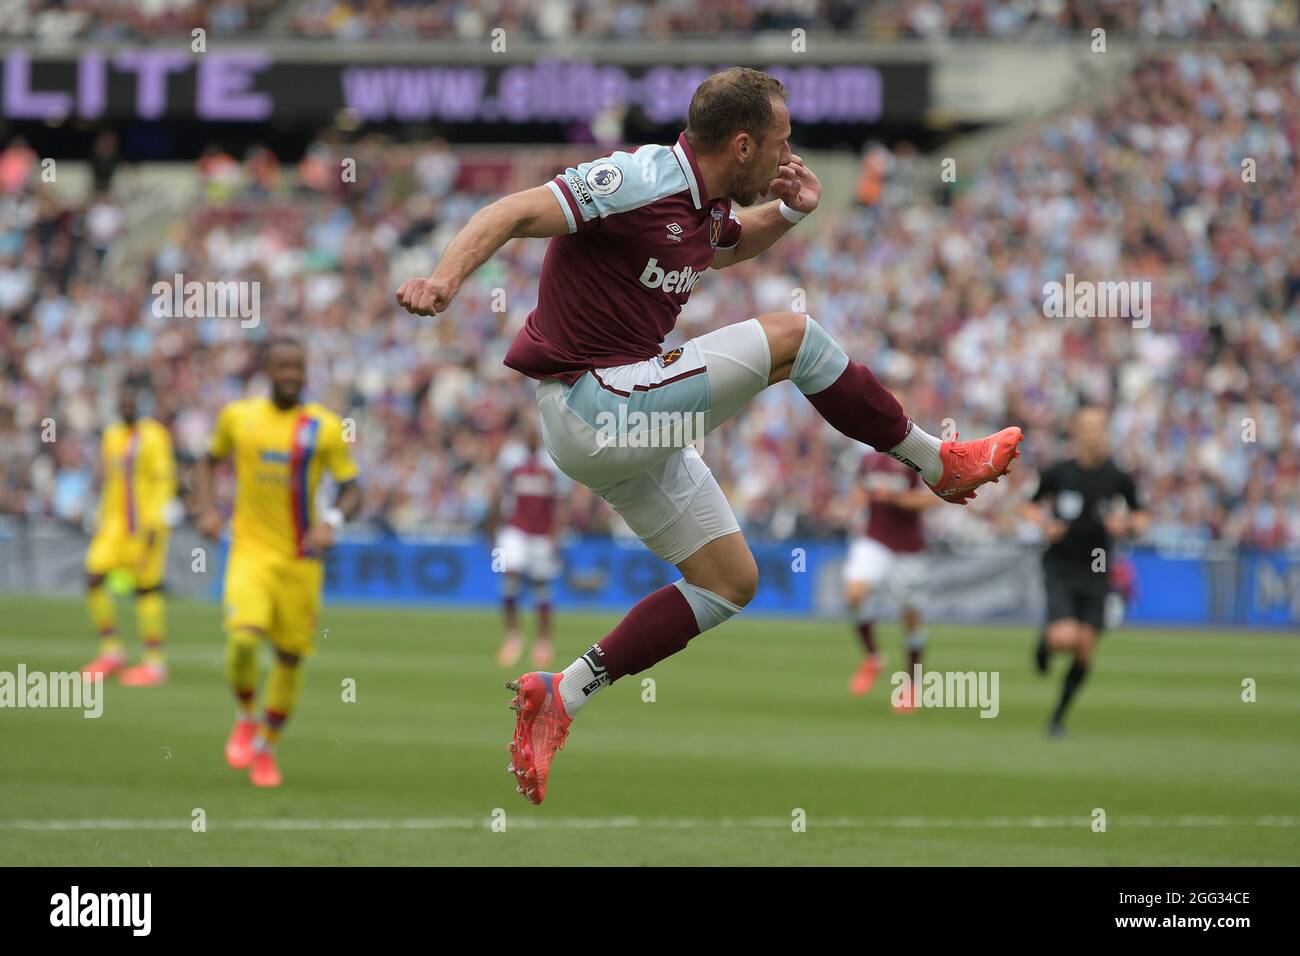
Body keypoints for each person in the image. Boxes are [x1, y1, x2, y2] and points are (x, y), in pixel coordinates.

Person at [397, 68, 1023, 803]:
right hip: (594, 402)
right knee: (794, 336)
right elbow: (510, 210)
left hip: (621, 423)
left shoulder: (704, 204)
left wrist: (790, 214)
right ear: (743, 143)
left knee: (730, 583)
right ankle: (937, 461)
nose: (790, 155)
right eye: (782, 143)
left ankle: (561, 693)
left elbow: (722, 247)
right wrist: (443, 280)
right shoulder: (638, 177)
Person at [194, 337, 362, 787]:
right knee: (244, 641)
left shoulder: (323, 427)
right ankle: (246, 714)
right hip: (249, 551)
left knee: (289, 659)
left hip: (302, 560)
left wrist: (332, 521)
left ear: (307, 372)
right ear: (267, 369)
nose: (291, 374)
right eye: (283, 366)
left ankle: (267, 748)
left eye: (298, 367)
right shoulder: (238, 417)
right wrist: (207, 509)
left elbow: (352, 489)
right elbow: (207, 463)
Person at [1021, 406, 1147, 736]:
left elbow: (1142, 516)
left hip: (1097, 568)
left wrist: (1128, 524)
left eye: (1098, 427)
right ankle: (1045, 646)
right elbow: (1028, 505)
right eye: (1086, 427)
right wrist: (1045, 524)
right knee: (1066, 638)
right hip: (1061, 566)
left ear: (1106, 432)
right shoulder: (1059, 472)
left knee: (1085, 648)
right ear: (1076, 431)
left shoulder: (1117, 476)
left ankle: (1057, 718)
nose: (1092, 433)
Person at [81, 386, 176, 686]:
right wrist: (100, 517)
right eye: (122, 400)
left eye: (131, 400)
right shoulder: (112, 436)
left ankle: (154, 663)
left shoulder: (154, 436)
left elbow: (164, 482)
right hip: (114, 526)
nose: (126, 405)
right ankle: (112, 652)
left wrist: (157, 523)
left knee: (145, 590)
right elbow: (112, 482)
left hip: (145, 526)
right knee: (94, 576)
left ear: (141, 403)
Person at [843, 452, 939, 709]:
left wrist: (894, 497)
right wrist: (855, 504)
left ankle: (912, 683)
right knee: (854, 593)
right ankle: (874, 657)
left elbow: (933, 499)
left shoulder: (919, 456)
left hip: (908, 549)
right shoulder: (869, 459)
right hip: (875, 540)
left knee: (910, 618)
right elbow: (860, 489)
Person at [487, 426, 569, 669]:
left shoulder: (552, 464)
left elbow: (560, 504)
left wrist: (557, 535)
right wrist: (490, 527)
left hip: (541, 535)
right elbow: (500, 494)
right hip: (515, 530)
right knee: (509, 572)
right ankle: (513, 637)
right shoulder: (511, 459)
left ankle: (543, 642)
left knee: (541, 586)